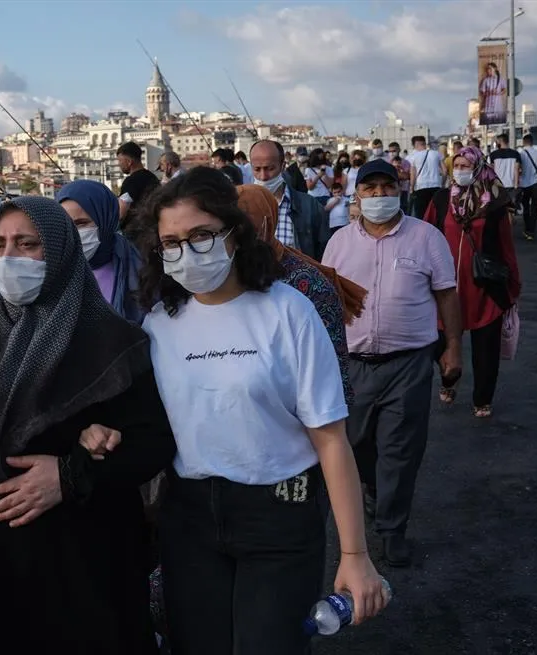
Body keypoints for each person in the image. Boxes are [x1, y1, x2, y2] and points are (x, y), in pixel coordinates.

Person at [136, 167, 387, 654]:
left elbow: (331, 439)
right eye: (171, 242)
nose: (186, 252)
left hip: (280, 515)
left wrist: (356, 553)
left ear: (234, 235)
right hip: (189, 518)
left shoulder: (288, 311)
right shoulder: (159, 323)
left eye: (201, 235)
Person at [0, 196, 176, 655]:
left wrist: (71, 473)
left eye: (28, 245)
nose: (9, 259)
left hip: (77, 570)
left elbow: (154, 441)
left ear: (60, 252)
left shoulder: (112, 344)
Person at [322, 159, 463, 568]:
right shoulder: (339, 243)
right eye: (371, 189)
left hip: (409, 363)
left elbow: (447, 295)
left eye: (387, 187)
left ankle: (392, 530)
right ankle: (372, 491)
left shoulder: (426, 238)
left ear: (399, 189)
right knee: (358, 444)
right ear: (357, 194)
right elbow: (329, 302)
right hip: (354, 363)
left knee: (401, 450)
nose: (379, 196)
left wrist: (453, 346)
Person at [236, 182, 367, 405]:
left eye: (244, 221)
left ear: (266, 223)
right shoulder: (224, 277)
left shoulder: (307, 282)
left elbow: (331, 363)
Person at [424, 146, 521, 418]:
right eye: (458, 166)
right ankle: (448, 380)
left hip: (484, 285)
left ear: (478, 167)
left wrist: (513, 286)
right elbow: (426, 234)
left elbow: (505, 246)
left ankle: (482, 398)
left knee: (486, 347)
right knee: (441, 340)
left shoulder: (494, 203)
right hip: (446, 286)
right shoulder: (441, 199)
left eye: (467, 166)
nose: (461, 171)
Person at [57, 179, 145, 323]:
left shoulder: (141, 271)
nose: (73, 233)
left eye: (81, 223)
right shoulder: (55, 275)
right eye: (65, 224)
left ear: (105, 220)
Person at [249, 139, 331, 260]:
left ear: (282, 166)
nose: (263, 176)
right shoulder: (242, 205)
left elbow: (324, 253)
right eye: (257, 169)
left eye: (270, 168)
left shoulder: (309, 206)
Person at [116, 141, 160, 233]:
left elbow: (121, 212)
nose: (119, 164)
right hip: (154, 228)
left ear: (129, 162)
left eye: (120, 161)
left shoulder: (131, 181)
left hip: (135, 232)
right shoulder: (153, 178)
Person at [407, 135, 446, 219]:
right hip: (436, 186)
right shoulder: (436, 153)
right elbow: (445, 171)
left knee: (421, 214)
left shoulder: (413, 157)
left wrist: (412, 187)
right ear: (424, 143)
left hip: (420, 188)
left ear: (415, 145)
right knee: (436, 213)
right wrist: (442, 184)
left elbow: (413, 175)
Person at [490, 133, 521, 205]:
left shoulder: (493, 155)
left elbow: (492, 171)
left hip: (498, 186)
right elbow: (516, 170)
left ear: (499, 141)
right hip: (511, 186)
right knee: (511, 209)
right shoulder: (516, 154)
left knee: (500, 209)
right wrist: (516, 186)